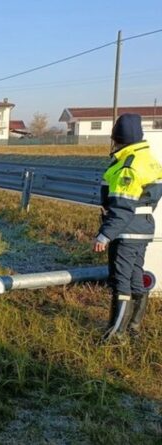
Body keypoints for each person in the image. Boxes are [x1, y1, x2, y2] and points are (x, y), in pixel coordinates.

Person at [93, 113, 162, 341]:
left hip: (126, 231)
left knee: (121, 281)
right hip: (141, 228)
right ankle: (134, 327)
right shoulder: (148, 158)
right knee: (134, 277)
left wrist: (105, 235)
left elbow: (123, 207)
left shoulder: (129, 166)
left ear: (118, 138)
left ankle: (116, 335)